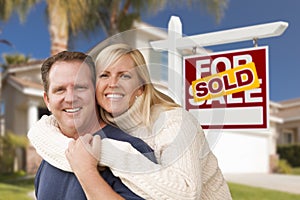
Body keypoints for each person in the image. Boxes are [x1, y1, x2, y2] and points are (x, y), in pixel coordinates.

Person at [30, 44, 232, 199]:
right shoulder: (57, 146)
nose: (112, 84)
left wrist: (97, 158)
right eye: (105, 75)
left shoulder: (172, 122)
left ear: (141, 87)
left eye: (124, 76)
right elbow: (43, 131)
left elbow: (187, 194)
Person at [29, 51, 157, 200]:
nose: (70, 98)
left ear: (95, 93)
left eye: (80, 87)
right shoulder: (52, 153)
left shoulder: (131, 149)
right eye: (60, 90)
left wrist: (87, 171)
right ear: (47, 101)